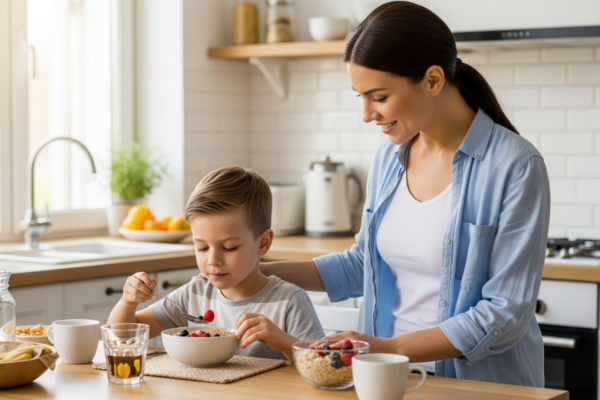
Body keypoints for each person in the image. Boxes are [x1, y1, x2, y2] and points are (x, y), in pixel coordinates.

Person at [260, 1, 550, 386]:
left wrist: (387, 347)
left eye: (378, 97)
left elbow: (504, 313)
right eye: (359, 96)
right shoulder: (390, 156)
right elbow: (362, 264)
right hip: (386, 383)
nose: (366, 114)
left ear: (432, 80)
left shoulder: (515, 165)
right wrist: (253, 271)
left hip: (477, 388)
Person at [107, 166, 324, 361]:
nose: (212, 260)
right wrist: (128, 302)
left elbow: (319, 363)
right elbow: (122, 333)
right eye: (201, 247)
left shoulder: (289, 301)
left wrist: (284, 342)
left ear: (263, 242)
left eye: (229, 248)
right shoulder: (195, 294)